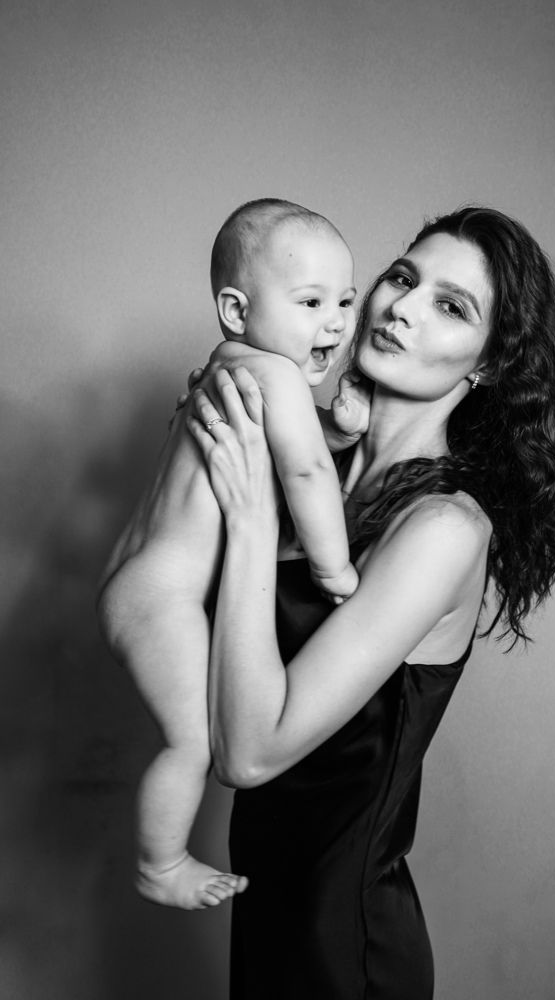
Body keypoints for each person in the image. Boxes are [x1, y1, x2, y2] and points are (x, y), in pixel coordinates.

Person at [184, 206, 555, 999]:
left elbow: (246, 753)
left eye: (450, 306)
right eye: (403, 278)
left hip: (343, 947)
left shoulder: (443, 527)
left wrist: (249, 519)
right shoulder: (311, 473)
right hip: (267, 914)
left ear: (488, 363)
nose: (403, 307)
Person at [97, 199, 367, 910]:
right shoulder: (276, 378)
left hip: (138, 581)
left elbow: (291, 441)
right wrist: (334, 566)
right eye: (310, 302)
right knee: (193, 744)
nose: (336, 323)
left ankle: (160, 860)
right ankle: (159, 864)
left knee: (189, 736)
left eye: (345, 300)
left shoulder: (228, 369)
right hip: (164, 600)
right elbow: (304, 471)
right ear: (237, 310)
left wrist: (336, 429)